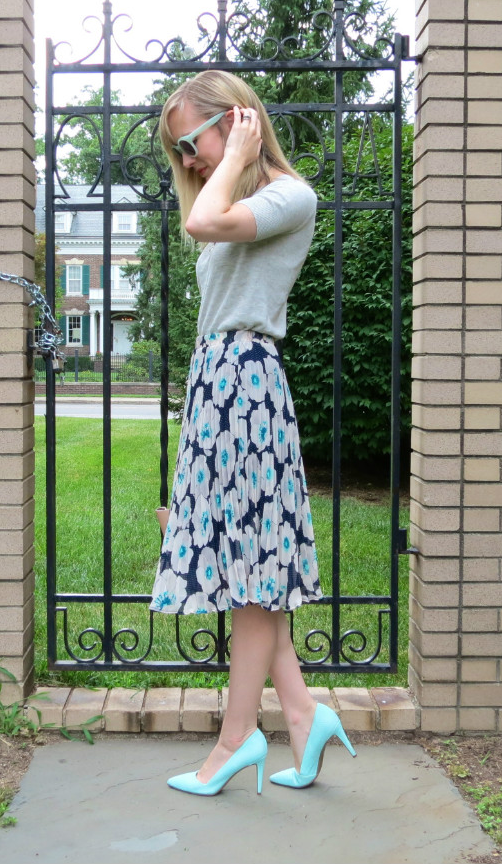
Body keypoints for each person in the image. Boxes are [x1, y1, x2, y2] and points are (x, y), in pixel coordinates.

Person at [150, 70, 356, 796]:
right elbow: (205, 223)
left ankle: (236, 741)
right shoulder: (235, 195)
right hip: (219, 389)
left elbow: (201, 222)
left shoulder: (288, 196)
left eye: (189, 140)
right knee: (253, 573)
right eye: (177, 151)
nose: (188, 159)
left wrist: (235, 154)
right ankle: (303, 715)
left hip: (246, 386)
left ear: (236, 118)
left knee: (254, 579)